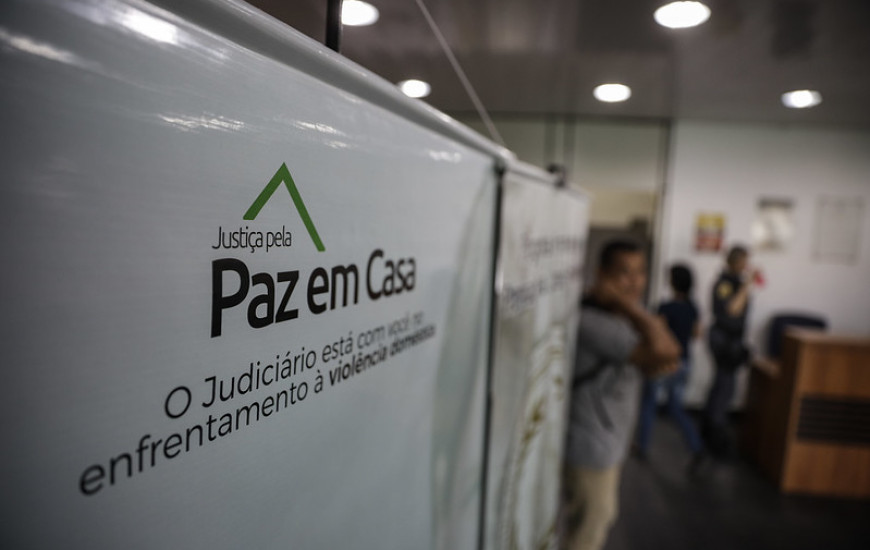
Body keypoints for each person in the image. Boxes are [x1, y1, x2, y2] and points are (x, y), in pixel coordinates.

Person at [564, 241, 680, 550]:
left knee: (598, 521)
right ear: (602, 275)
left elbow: (663, 360)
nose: (635, 282)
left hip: (610, 438)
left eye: (641, 272)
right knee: (588, 532)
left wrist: (650, 349)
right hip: (591, 446)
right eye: (624, 273)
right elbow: (668, 350)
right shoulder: (593, 321)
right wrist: (629, 307)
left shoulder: (620, 317)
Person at [634, 264, 705, 470]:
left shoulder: (666, 308)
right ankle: (696, 446)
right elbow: (696, 334)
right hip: (684, 362)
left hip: (664, 363)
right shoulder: (693, 308)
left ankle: (643, 446)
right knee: (675, 408)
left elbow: (655, 334)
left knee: (649, 403)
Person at [703, 245, 759, 457]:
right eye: (744, 261)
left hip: (732, 340)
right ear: (735, 262)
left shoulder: (736, 282)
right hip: (723, 340)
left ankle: (712, 428)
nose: (747, 266)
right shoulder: (725, 283)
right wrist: (747, 285)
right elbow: (732, 309)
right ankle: (715, 437)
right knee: (724, 387)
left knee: (724, 385)